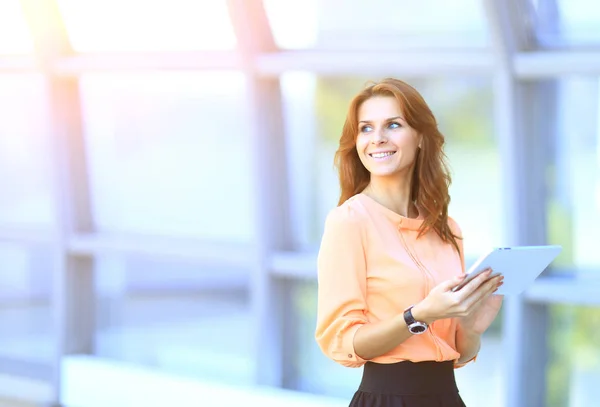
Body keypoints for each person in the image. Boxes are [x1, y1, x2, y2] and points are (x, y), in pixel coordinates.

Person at [314, 78, 504, 407]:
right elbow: (342, 341)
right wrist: (419, 315)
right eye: (366, 128)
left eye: (393, 124)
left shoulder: (447, 229)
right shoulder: (349, 221)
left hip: (447, 397)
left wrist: (471, 328)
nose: (378, 139)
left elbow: (458, 354)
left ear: (419, 137)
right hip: (387, 399)